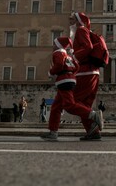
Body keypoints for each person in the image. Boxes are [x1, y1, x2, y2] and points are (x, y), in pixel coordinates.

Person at [41, 36, 103, 141]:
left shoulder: (58, 53)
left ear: (58, 45)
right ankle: (53, 132)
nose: (53, 46)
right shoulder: (68, 56)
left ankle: (92, 114)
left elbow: (59, 65)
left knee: (69, 105)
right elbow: (76, 67)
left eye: (54, 44)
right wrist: (71, 74)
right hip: (69, 80)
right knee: (56, 106)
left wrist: (51, 72)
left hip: (63, 81)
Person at [59, 11, 104, 141]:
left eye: (72, 19)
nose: (70, 21)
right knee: (84, 105)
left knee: (71, 103)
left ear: (79, 21)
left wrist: (74, 57)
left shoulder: (80, 30)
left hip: (85, 72)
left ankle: (94, 115)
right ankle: (93, 132)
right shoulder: (81, 31)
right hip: (92, 72)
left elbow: (88, 47)